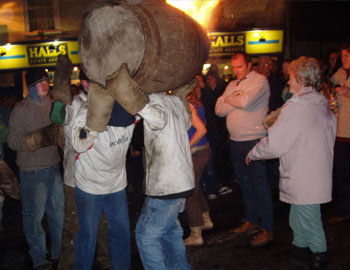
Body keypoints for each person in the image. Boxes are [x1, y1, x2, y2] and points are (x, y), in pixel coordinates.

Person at [247, 57, 337, 270]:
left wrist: (254, 152)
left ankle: (318, 261)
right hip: (314, 173)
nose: (288, 82)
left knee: (311, 223)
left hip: (303, 175)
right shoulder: (322, 104)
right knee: (298, 221)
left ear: (301, 79)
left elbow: (276, 144)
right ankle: (297, 261)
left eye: (291, 78)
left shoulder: (296, 107)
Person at [106, 63, 195, 270]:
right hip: (181, 182)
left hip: (167, 185)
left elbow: (158, 118)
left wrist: (135, 99)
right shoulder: (173, 100)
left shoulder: (154, 101)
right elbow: (186, 124)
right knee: (170, 232)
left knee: (146, 237)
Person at [67, 71, 136, 270]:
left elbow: (141, 117)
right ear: (86, 84)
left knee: (121, 232)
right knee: (88, 235)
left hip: (116, 184)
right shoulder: (84, 112)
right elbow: (78, 144)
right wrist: (96, 123)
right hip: (90, 186)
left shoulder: (123, 109)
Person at [50, 61, 111, 270]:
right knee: (72, 224)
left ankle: (106, 260)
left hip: (99, 176)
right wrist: (58, 104)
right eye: (86, 81)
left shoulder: (106, 102)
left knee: (102, 222)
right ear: (83, 83)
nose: (88, 84)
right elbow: (60, 116)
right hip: (74, 177)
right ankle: (68, 265)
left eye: (92, 81)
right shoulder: (74, 103)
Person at [215, 52, 274, 247]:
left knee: (259, 184)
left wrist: (232, 99)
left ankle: (268, 227)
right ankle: (252, 220)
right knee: (244, 183)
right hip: (236, 141)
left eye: (240, 67)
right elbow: (218, 109)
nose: (236, 71)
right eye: (234, 67)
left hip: (254, 140)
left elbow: (245, 102)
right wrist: (235, 97)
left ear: (249, 65)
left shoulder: (260, 81)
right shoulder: (233, 85)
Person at [7, 69, 64, 270]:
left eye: (45, 80)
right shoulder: (21, 109)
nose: (44, 84)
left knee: (59, 215)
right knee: (34, 217)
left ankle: (58, 254)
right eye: (39, 82)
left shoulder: (53, 106)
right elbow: (12, 141)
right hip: (32, 172)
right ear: (31, 87)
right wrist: (35, 139)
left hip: (53, 168)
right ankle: (40, 259)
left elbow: (61, 134)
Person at [184, 80, 213, 246]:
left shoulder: (188, 104)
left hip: (197, 153)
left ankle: (196, 233)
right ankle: (205, 219)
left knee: (189, 192)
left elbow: (202, 129)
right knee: (195, 188)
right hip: (203, 151)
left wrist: (187, 146)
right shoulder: (196, 101)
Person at [329, 43, 350, 225]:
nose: (344, 59)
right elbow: (329, 92)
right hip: (341, 133)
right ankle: (344, 210)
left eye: (347, 56)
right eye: (342, 56)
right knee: (342, 174)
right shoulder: (338, 75)